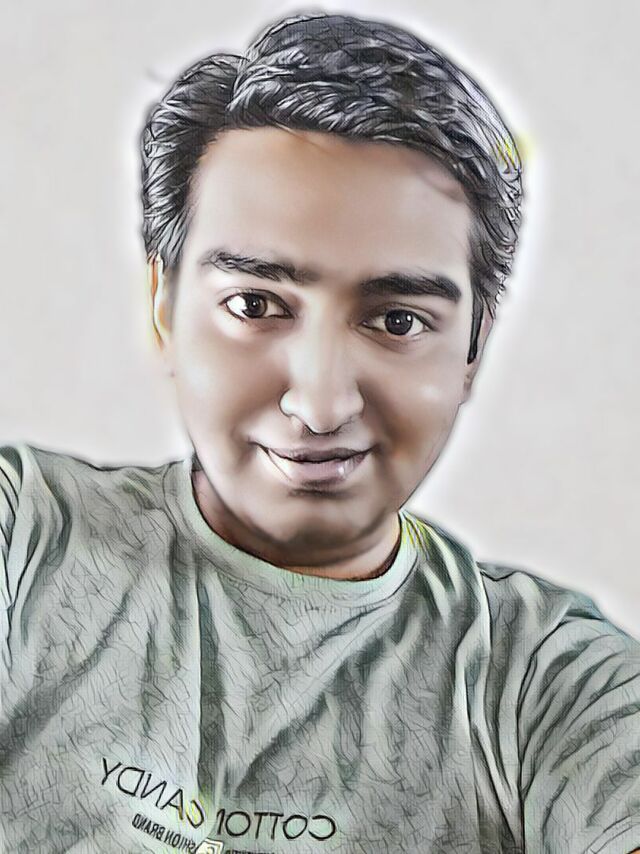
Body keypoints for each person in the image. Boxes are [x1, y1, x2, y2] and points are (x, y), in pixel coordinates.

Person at [1, 11, 638, 854]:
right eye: (255, 304)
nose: (321, 403)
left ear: (473, 347)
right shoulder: (24, 538)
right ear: (164, 305)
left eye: (398, 320)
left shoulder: (543, 678)